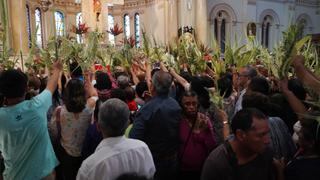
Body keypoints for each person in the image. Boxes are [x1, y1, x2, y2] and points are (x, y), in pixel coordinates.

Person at [0, 61, 62, 179]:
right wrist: (57, 70)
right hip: (44, 174)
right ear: (26, 88)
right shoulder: (37, 106)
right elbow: (51, 87)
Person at [77, 98, 155, 180]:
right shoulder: (143, 149)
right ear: (128, 124)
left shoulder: (89, 168)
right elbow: (151, 175)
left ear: (98, 126)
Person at [130, 71, 182, 180]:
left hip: (153, 162)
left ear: (152, 87)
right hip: (174, 160)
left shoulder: (146, 110)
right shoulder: (175, 105)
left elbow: (134, 137)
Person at [201, 108, 279, 180]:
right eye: (261, 135)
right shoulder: (217, 164)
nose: (267, 140)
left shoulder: (265, 152)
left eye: (267, 133)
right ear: (240, 135)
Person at [50, 78, 97, 180]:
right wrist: (89, 81)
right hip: (86, 152)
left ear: (67, 93)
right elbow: (95, 95)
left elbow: (53, 131)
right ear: (83, 92)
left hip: (67, 155)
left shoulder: (59, 111)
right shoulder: (90, 106)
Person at [179, 91, 216, 180]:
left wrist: (205, 131)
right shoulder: (178, 121)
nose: (191, 107)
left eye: (194, 104)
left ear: (198, 105)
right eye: (187, 104)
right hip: (182, 169)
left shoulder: (205, 120)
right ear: (181, 105)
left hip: (201, 169)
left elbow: (212, 146)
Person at [284, 112, 320, 180]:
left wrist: (280, 171)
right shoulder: (303, 154)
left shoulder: (298, 168)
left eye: (302, 131)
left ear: (311, 143)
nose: (299, 132)